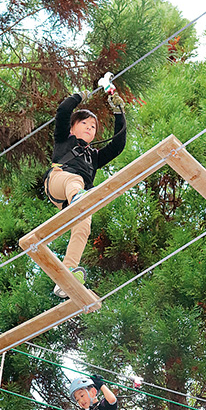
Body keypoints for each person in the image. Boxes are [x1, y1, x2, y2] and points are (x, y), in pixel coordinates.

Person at [44, 89, 127, 297]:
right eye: (84, 124)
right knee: (77, 181)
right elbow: (63, 111)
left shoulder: (94, 156)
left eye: (93, 127)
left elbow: (118, 145)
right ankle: (80, 198)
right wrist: (79, 96)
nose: (90, 128)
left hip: (74, 196)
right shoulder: (64, 139)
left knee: (84, 225)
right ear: (73, 128)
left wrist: (119, 113)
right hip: (58, 181)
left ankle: (66, 274)